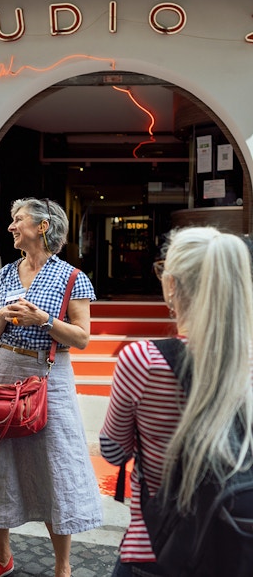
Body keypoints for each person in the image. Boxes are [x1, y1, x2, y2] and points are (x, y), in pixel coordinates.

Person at [99, 226, 253, 577]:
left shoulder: (143, 359)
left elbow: (113, 451)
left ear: (171, 285)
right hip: (240, 540)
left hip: (158, 547)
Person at [0, 197, 103, 577]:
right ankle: (1, 558)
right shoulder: (6, 274)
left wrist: (43, 319)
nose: (11, 226)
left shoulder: (73, 277)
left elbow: (81, 338)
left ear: (43, 226)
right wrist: (5, 318)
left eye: (18, 219)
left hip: (49, 374)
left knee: (56, 466)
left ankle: (63, 567)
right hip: (1, 370)